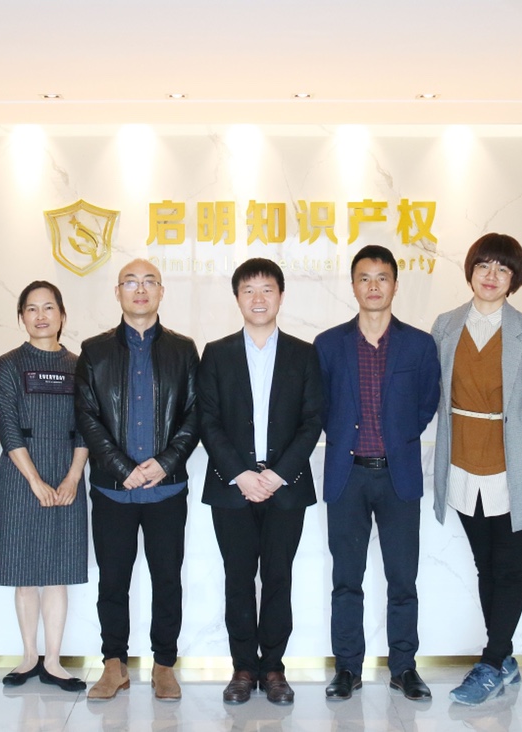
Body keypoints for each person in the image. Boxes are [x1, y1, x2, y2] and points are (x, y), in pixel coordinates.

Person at [430, 233, 522, 705]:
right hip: (461, 459)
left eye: (503, 269)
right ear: (471, 271)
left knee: (509, 566)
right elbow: (433, 389)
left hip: (509, 464)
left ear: (514, 279)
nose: (491, 276)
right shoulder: (446, 325)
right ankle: (503, 660)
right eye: (484, 265)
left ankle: (492, 660)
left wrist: (520, 439)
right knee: (486, 565)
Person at [314, 245, 440, 702]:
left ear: (395, 286)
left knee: (402, 580)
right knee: (346, 581)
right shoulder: (328, 344)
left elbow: (426, 403)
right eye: (364, 278)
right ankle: (347, 668)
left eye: (382, 277)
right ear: (353, 286)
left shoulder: (419, 344)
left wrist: (398, 437)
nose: (373, 286)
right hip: (347, 476)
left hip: (397, 476)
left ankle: (404, 667)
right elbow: (319, 406)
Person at [197, 258, 323, 705]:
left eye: (267, 289)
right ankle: (242, 668)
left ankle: (273, 668)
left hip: (286, 487)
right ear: (237, 298)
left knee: (277, 578)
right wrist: (241, 474)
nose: (258, 298)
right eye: (248, 290)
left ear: (281, 296)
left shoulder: (304, 354)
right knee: (237, 578)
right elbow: (208, 420)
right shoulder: (217, 353)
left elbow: (312, 421)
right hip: (231, 487)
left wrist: (276, 474)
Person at [75, 258, 199, 701]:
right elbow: (87, 416)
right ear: (118, 292)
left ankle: (164, 666)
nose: (140, 289)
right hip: (113, 491)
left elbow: (195, 413)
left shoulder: (183, 350)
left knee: (167, 580)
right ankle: (114, 666)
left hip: (168, 489)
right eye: (131, 282)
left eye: (149, 282)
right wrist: (122, 468)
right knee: (113, 582)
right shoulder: (94, 351)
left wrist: (166, 462)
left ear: (162, 291)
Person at [0, 281, 88, 692]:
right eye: (31, 308)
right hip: (21, 474)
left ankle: (53, 660)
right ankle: (29, 655)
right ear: (21, 317)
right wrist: (34, 481)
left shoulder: (80, 365)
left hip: (67, 471)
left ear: (62, 315)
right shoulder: (9, 364)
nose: (41, 315)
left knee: (59, 570)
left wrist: (72, 477)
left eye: (49, 307)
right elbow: (8, 427)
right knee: (24, 570)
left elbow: (87, 426)